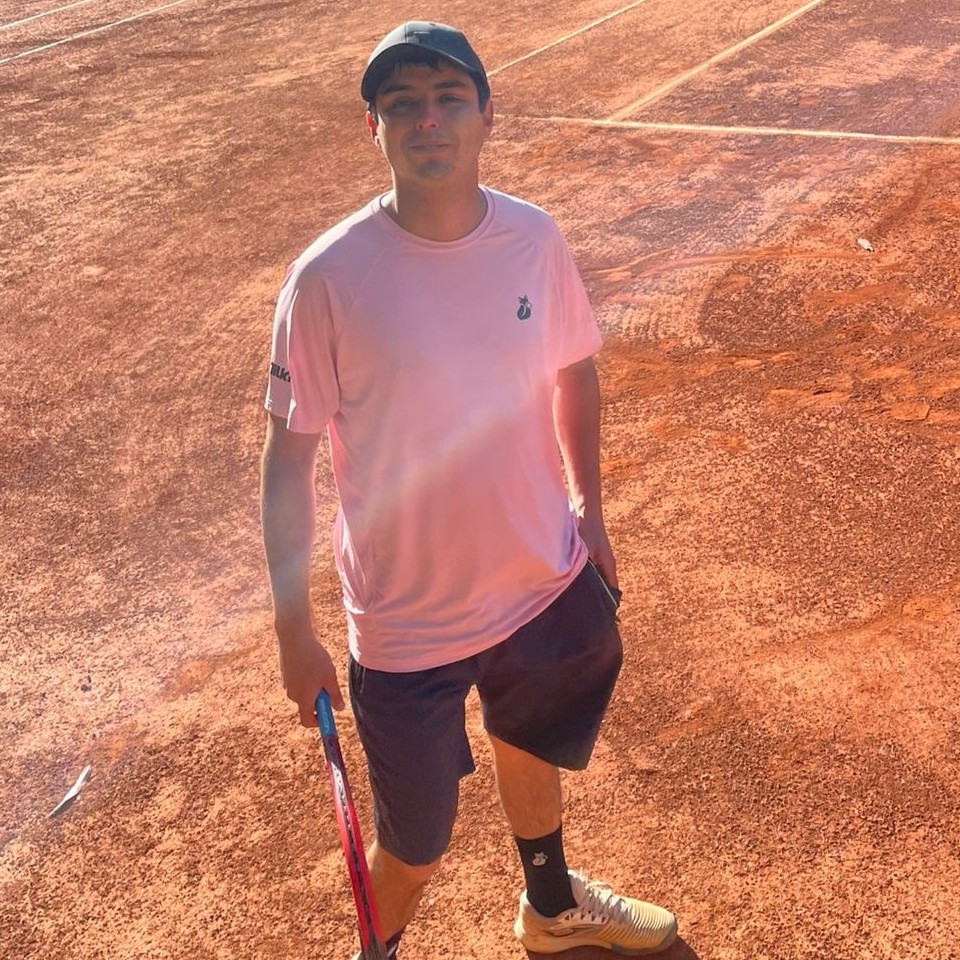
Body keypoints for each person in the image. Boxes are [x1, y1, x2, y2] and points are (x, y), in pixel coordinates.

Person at [260, 20, 677, 958]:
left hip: (536, 578)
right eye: (401, 104)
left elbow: (574, 370)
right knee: (413, 850)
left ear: (487, 115)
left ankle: (551, 907)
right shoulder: (326, 280)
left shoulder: (533, 239)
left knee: (532, 740)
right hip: (409, 623)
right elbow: (287, 462)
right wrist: (293, 630)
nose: (428, 120)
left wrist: (589, 512)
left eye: (449, 98)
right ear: (374, 128)